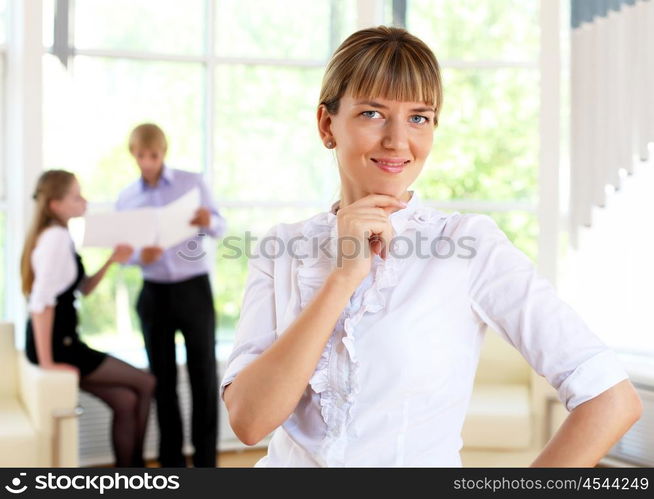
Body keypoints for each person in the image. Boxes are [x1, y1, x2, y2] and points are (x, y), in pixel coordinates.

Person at [219, 26, 643, 467]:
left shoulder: (467, 245)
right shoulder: (282, 249)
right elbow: (250, 422)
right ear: (327, 124)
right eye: (372, 114)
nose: (398, 141)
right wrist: (343, 277)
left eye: (419, 117)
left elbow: (611, 399)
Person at [21, 169, 156, 468]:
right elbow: (41, 303)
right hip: (60, 346)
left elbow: (81, 289)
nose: (85, 200)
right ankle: (136, 472)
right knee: (145, 383)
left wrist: (110, 260)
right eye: (76, 196)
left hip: (63, 342)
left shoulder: (59, 235)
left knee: (126, 401)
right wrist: (47, 362)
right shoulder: (55, 238)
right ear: (55, 204)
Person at [116, 123, 227, 467]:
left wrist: (208, 219)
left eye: (153, 155)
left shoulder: (191, 183)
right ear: (132, 155)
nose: (147, 162)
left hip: (193, 289)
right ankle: (172, 465)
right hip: (154, 294)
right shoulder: (126, 198)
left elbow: (220, 227)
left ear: (164, 153)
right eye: (140, 156)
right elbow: (123, 250)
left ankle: (206, 462)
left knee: (203, 376)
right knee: (161, 381)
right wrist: (138, 257)